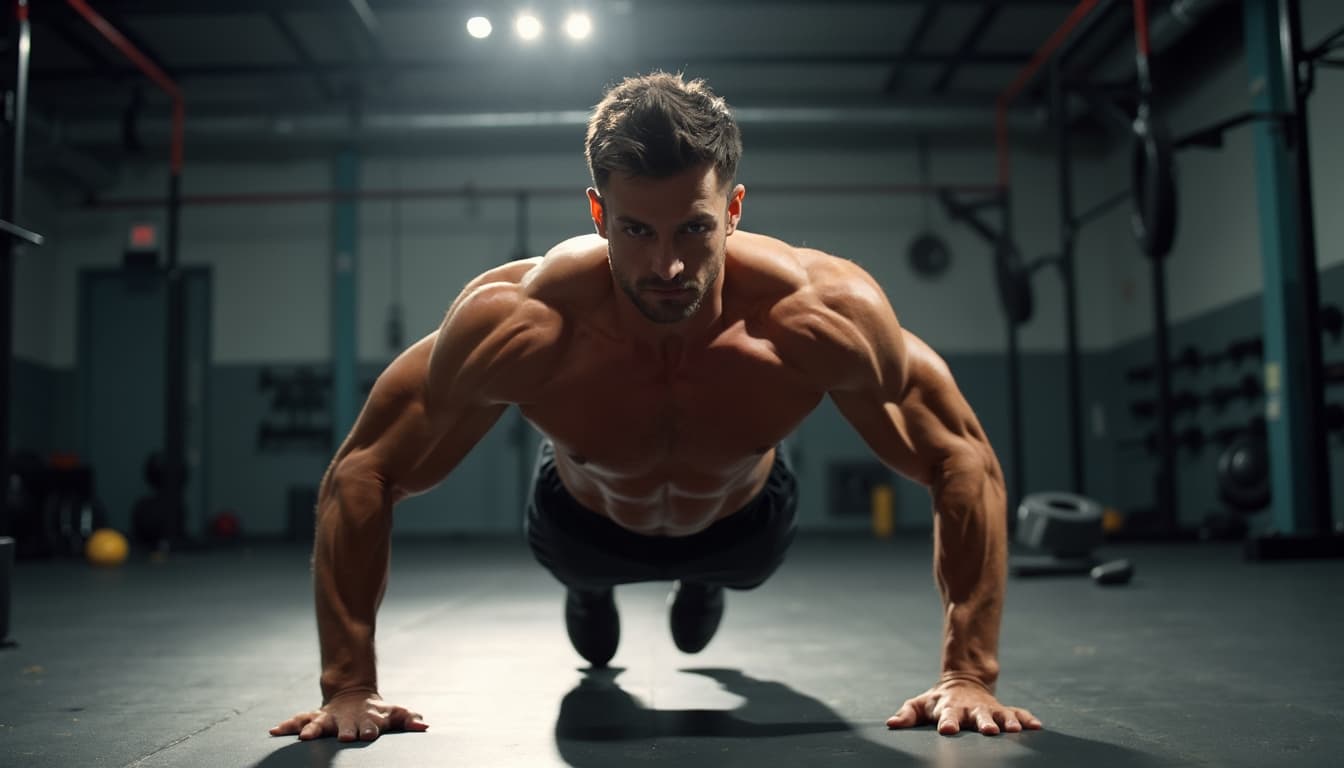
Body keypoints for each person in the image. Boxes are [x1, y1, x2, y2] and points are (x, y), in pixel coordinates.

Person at [270, 71, 1041, 744]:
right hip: (581, 525)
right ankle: (592, 590)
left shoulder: (818, 315)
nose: (667, 264)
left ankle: (701, 584)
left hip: (746, 525)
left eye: (694, 229)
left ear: (733, 210)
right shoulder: (522, 323)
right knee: (591, 619)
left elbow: (960, 456)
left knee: (721, 572)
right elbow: (365, 471)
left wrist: (967, 674)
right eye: (636, 230)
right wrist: (348, 684)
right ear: (599, 214)